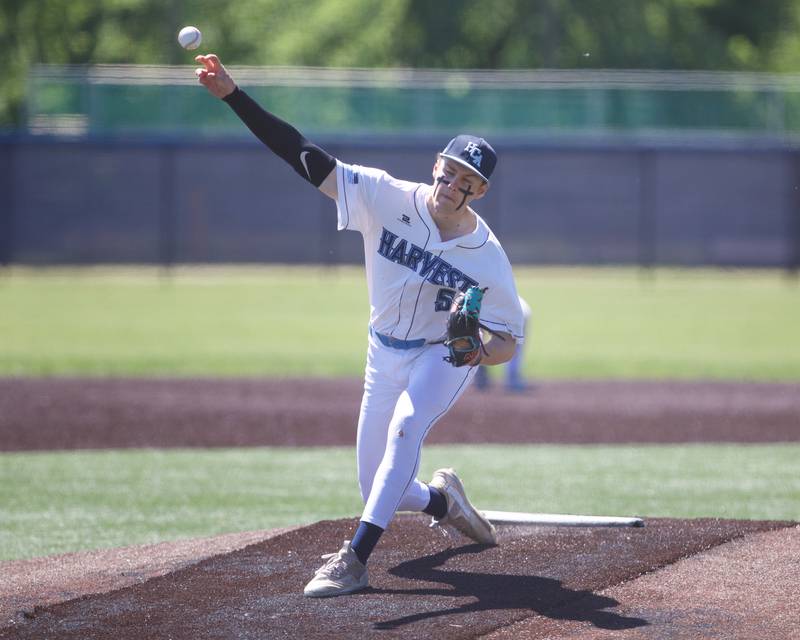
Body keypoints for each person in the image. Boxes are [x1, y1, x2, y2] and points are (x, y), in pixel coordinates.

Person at [195, 54, 526, 598]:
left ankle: (354, 558)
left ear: (480, 191)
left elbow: (508, 342)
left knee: (405, 431)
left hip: (439, 355)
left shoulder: (486, 255)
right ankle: (446, 503)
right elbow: (301, 154)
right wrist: (234, 95)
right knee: (379, 485)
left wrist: (477, 354)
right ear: (435, 164)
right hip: (382, 351)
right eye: (449, 169)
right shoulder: (383, 194)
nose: (452, 183)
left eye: (467, 180)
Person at [473, 295, 531, 392]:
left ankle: (481, 375)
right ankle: (512, 379)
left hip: (515, 313)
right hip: (518, 311)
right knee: (515, 345)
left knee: (476, 336)